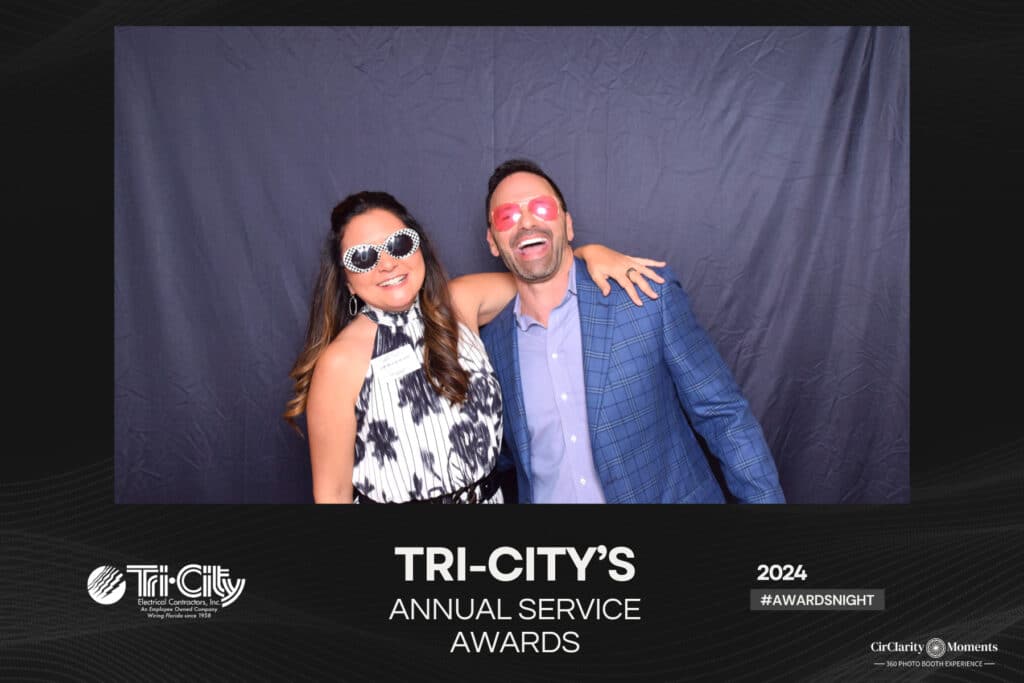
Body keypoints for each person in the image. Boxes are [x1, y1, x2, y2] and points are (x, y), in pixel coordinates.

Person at [283, 190, 661, 504]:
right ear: (347, 280)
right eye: (363, 257)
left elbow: (542, 276)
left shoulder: (461, 302)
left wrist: (587, 253)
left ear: (419, 248)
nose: (387, 264)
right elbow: (331, 494)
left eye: (398, 244)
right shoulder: (342, 362)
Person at [478, 159, 786, 504]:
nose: (528, 222)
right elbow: (503, 457)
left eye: (541, 207)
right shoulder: (491, 346)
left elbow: (725, 418)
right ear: (493, 241)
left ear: (567, 225)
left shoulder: (646, 299)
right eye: (508, 216)